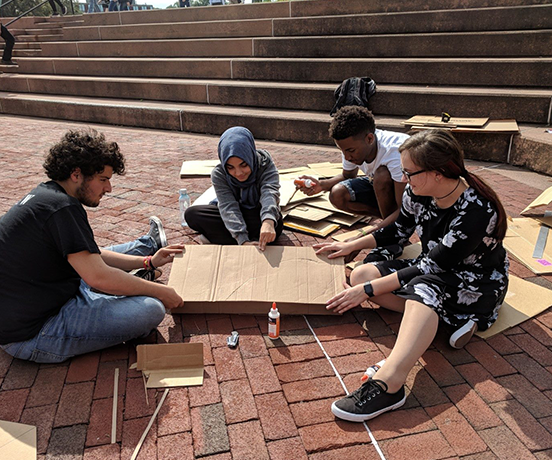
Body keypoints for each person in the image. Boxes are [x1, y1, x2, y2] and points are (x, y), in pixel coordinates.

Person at [314, 129, 509, 422]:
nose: (403, 179)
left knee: (416, 289)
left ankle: (391, 381)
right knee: (361, 274)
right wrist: (351, 244)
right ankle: (444, 320)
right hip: (431, 268)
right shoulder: (419, 192)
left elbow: (431, 267)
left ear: (438, 174)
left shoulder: (477, 209)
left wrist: (366, 292)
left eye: (410, 172)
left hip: (474, 281)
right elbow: (397, 231)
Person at [0, 129, 185, 364]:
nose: (108, 189)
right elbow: (98, 276)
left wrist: (147, 261)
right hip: (35, 333)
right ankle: (130, 285)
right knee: (152, 309)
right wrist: (160, 291)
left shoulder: (48, 195)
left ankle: (141, 261)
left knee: (101, 261)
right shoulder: (63, 208)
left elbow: (92, 257)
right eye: (103, 180)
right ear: (77, 174)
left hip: (26, 313)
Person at [297, 106, 408, 232]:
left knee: (381, 176)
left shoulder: (395, 152)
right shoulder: (353, 146)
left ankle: (393, 232)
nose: (347, 157)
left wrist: (364, 235)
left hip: (413, 198)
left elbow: (404, 209)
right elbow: (347, 176)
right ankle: (387, 223)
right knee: (338, 194)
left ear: (370, 139)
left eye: (350, 151)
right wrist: (321, 185)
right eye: (342, 150)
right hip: (391, 194)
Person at [184, 126, 282, 250]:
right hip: (233, 215)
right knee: (192, 214)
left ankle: (220, 237)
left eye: (244, 165)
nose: (239, 173)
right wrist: (243, 241)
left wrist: (268, 222)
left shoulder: (264, 164)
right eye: (230, 167)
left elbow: (269, 192)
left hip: (257, 214)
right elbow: (228, 206)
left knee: (275, 227)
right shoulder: (219, 173)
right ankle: (249, 239)